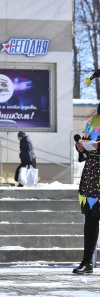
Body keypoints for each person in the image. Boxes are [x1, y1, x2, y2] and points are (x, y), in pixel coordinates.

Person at [72, 100, 100, 275]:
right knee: (91, 216)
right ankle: (87, 262)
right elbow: (85, 148)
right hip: (92, 173)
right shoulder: (92, 121)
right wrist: (80, 146)